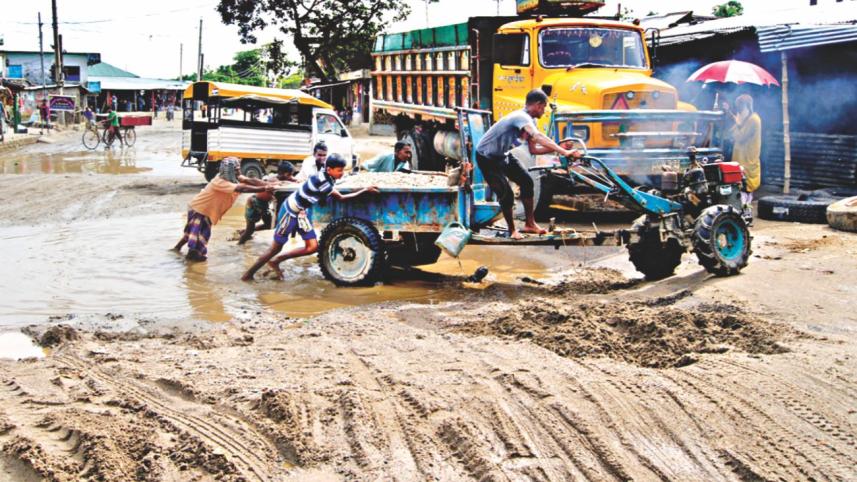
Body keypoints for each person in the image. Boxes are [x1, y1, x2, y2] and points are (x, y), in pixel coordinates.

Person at [241, 154, 379, 281]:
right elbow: (341, 198)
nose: (342, 173)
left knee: (312, 247)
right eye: (339, 170)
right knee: (275, 248)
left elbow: (332, 191)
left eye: (343, 170)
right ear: (329, 169)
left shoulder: (327, 176)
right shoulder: (323, 180)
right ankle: (248, 274)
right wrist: (365, 190)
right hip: (290, 212)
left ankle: (276, 261)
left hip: (301, 212)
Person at [475, 88, 579, 239]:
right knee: (507, 194)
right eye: (543, 107)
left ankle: (530, 224)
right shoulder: (521, 117)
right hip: (487, 157)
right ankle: (512, 231)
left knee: (527, 182)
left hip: (503, 155)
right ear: (537, 105)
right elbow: (537, 137)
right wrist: (564, 152)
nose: (543, 112)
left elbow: (534, 149)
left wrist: (559, 149)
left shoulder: (531, 120)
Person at [173, 158, 273, 261]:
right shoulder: (220, 181)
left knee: (193, 232)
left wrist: (269, 185)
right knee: (199, 236)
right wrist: (264, 189)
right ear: (230, 170)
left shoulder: (232, 178)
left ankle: (177, 249)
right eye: (237, 169)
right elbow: (242, 188)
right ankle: (193, 257)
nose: (239, 171)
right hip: (200, 209)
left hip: (205, 210)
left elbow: (250, 181)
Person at [237, 161, 298, 245]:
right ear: (286, 174)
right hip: (254, 204)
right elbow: (261, 182)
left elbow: (293, 180)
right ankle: (239, 244)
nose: (292, 177)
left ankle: (243, 232)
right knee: (249, 231)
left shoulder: (283, 179)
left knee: (269, 225)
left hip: (262, 205)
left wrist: (295, 180)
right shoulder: (273, 180)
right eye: (290, 174)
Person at [726, 94, 762, 207]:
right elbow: (735, 130)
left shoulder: (754, 120)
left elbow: (740, 136)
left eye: (740, 107)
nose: (739, 110)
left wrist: (736, 121)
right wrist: (732, 117)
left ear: (746, 106)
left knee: (746, 186)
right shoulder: (746, 120)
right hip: (740, 157)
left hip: (748, 159)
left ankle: (745, 210)